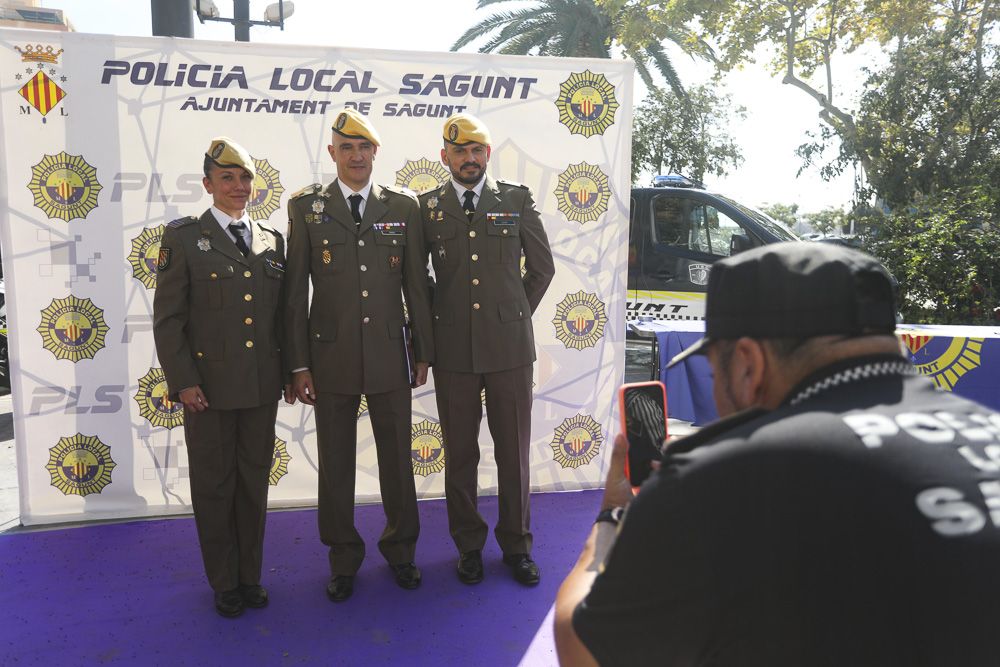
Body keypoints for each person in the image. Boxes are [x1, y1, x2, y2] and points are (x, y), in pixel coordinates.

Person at [555, 242, 1000, 665]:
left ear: (748, 364)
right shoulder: (990, 427)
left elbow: (584, 647)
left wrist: (613, 517)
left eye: (713, 371)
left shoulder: (722, 476)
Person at [283, 109, 433, 602]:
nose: (355, 156)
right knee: (336, 464)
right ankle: (343, 559)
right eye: (345, 148)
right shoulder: (306, 207)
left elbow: (415, 285)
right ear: (333, 154)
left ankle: (402, 551)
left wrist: (423, 352)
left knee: (397, 461)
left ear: (375, 153)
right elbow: (294, 292)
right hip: (330, 358)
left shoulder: (405, 207)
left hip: (391, 353)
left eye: (363, 147)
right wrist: (299, 363)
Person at [153, 137, 289, 618]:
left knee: (253, 484)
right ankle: (224, 582)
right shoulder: (185, 237)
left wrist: (292, 370)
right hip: (206, 391)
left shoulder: (273, 240)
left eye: (245, 177)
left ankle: (250, 577)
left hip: (259, 388)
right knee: (214, 487)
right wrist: (183, 380)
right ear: (208, 183)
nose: (238, 186)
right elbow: (168, 319)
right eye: (227, 177)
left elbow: (282, 319)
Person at [419, 113, 554, 586]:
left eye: (477, 150)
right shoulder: (427, 208)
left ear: (487, 155)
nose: (469, 158)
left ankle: (517, 546)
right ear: (445, 157)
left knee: (513, 453)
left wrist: (513, 315)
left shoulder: (515, 199)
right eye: (460, 151)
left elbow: (542, 269)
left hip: (510, 351)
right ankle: (469, 546)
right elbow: (418, 283)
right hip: (453, 350)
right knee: (459, 454)